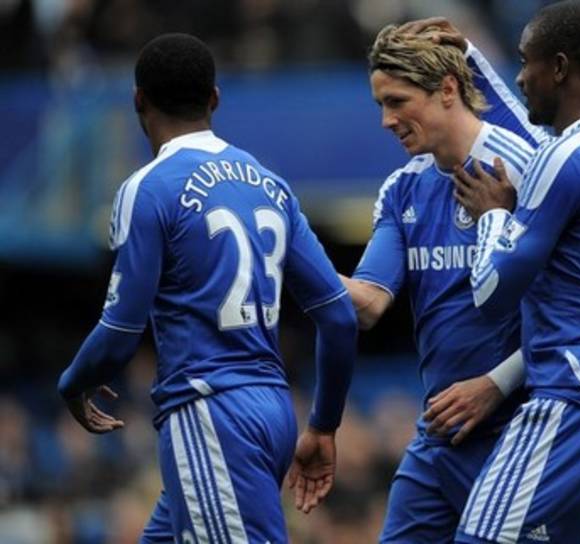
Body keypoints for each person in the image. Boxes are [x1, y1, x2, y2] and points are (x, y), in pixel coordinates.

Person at [56, 33, 357, 543]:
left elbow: (121, 332)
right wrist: (324, 425)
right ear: (215, 98)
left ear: (138, 100)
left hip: (210, 413)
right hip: (273, 411)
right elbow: (339, 317)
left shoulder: (148, 188)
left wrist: (73, 383)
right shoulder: (271, 184)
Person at [450, 1, 580, 541]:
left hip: (577, 400)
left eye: (527, 62)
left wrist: (494, 216)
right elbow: (539, 135)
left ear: (561, 68)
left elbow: (492, 293)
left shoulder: (565, 158)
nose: (521, 77)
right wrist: (472, 59)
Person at [338, 22, 544, 543]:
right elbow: (367, 303)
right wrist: (285, 255)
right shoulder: (402, 188)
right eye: (380, 104)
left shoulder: (528, 170)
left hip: (522, 429)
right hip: (441, 432)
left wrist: (496, 384)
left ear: (448, 89)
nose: (386, 120)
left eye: (397, 101)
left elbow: (576, 311)